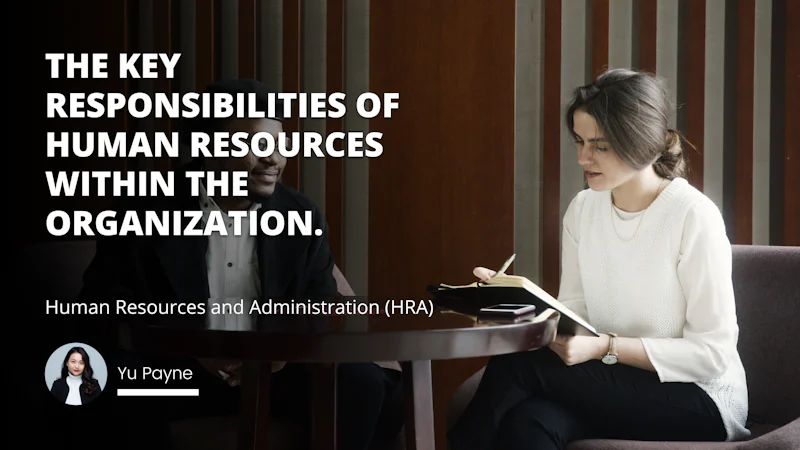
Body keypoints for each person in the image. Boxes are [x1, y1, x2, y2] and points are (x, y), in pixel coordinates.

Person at [76, 79, 403, 450]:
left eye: (280, 145)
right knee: (109, 384)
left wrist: (282, 350)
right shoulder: (141, 210)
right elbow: (103, 309)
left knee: (362, 382)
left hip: (273, 372)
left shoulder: (301, 215)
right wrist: (195, 348)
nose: (275, 159)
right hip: (179, 369)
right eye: (259, 144)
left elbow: (319, 306)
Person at [448, 69, 750, 449]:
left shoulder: (693, 216)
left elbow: (712, 354)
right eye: (579, 141)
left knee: (520, 366)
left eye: (599, 145)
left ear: (640, 141)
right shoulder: (582, 209)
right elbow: (577, 318)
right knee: (528, 425)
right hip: (612, 382)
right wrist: (516, 305)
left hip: (699, 399)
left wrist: (606, 346)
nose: (582, 158)